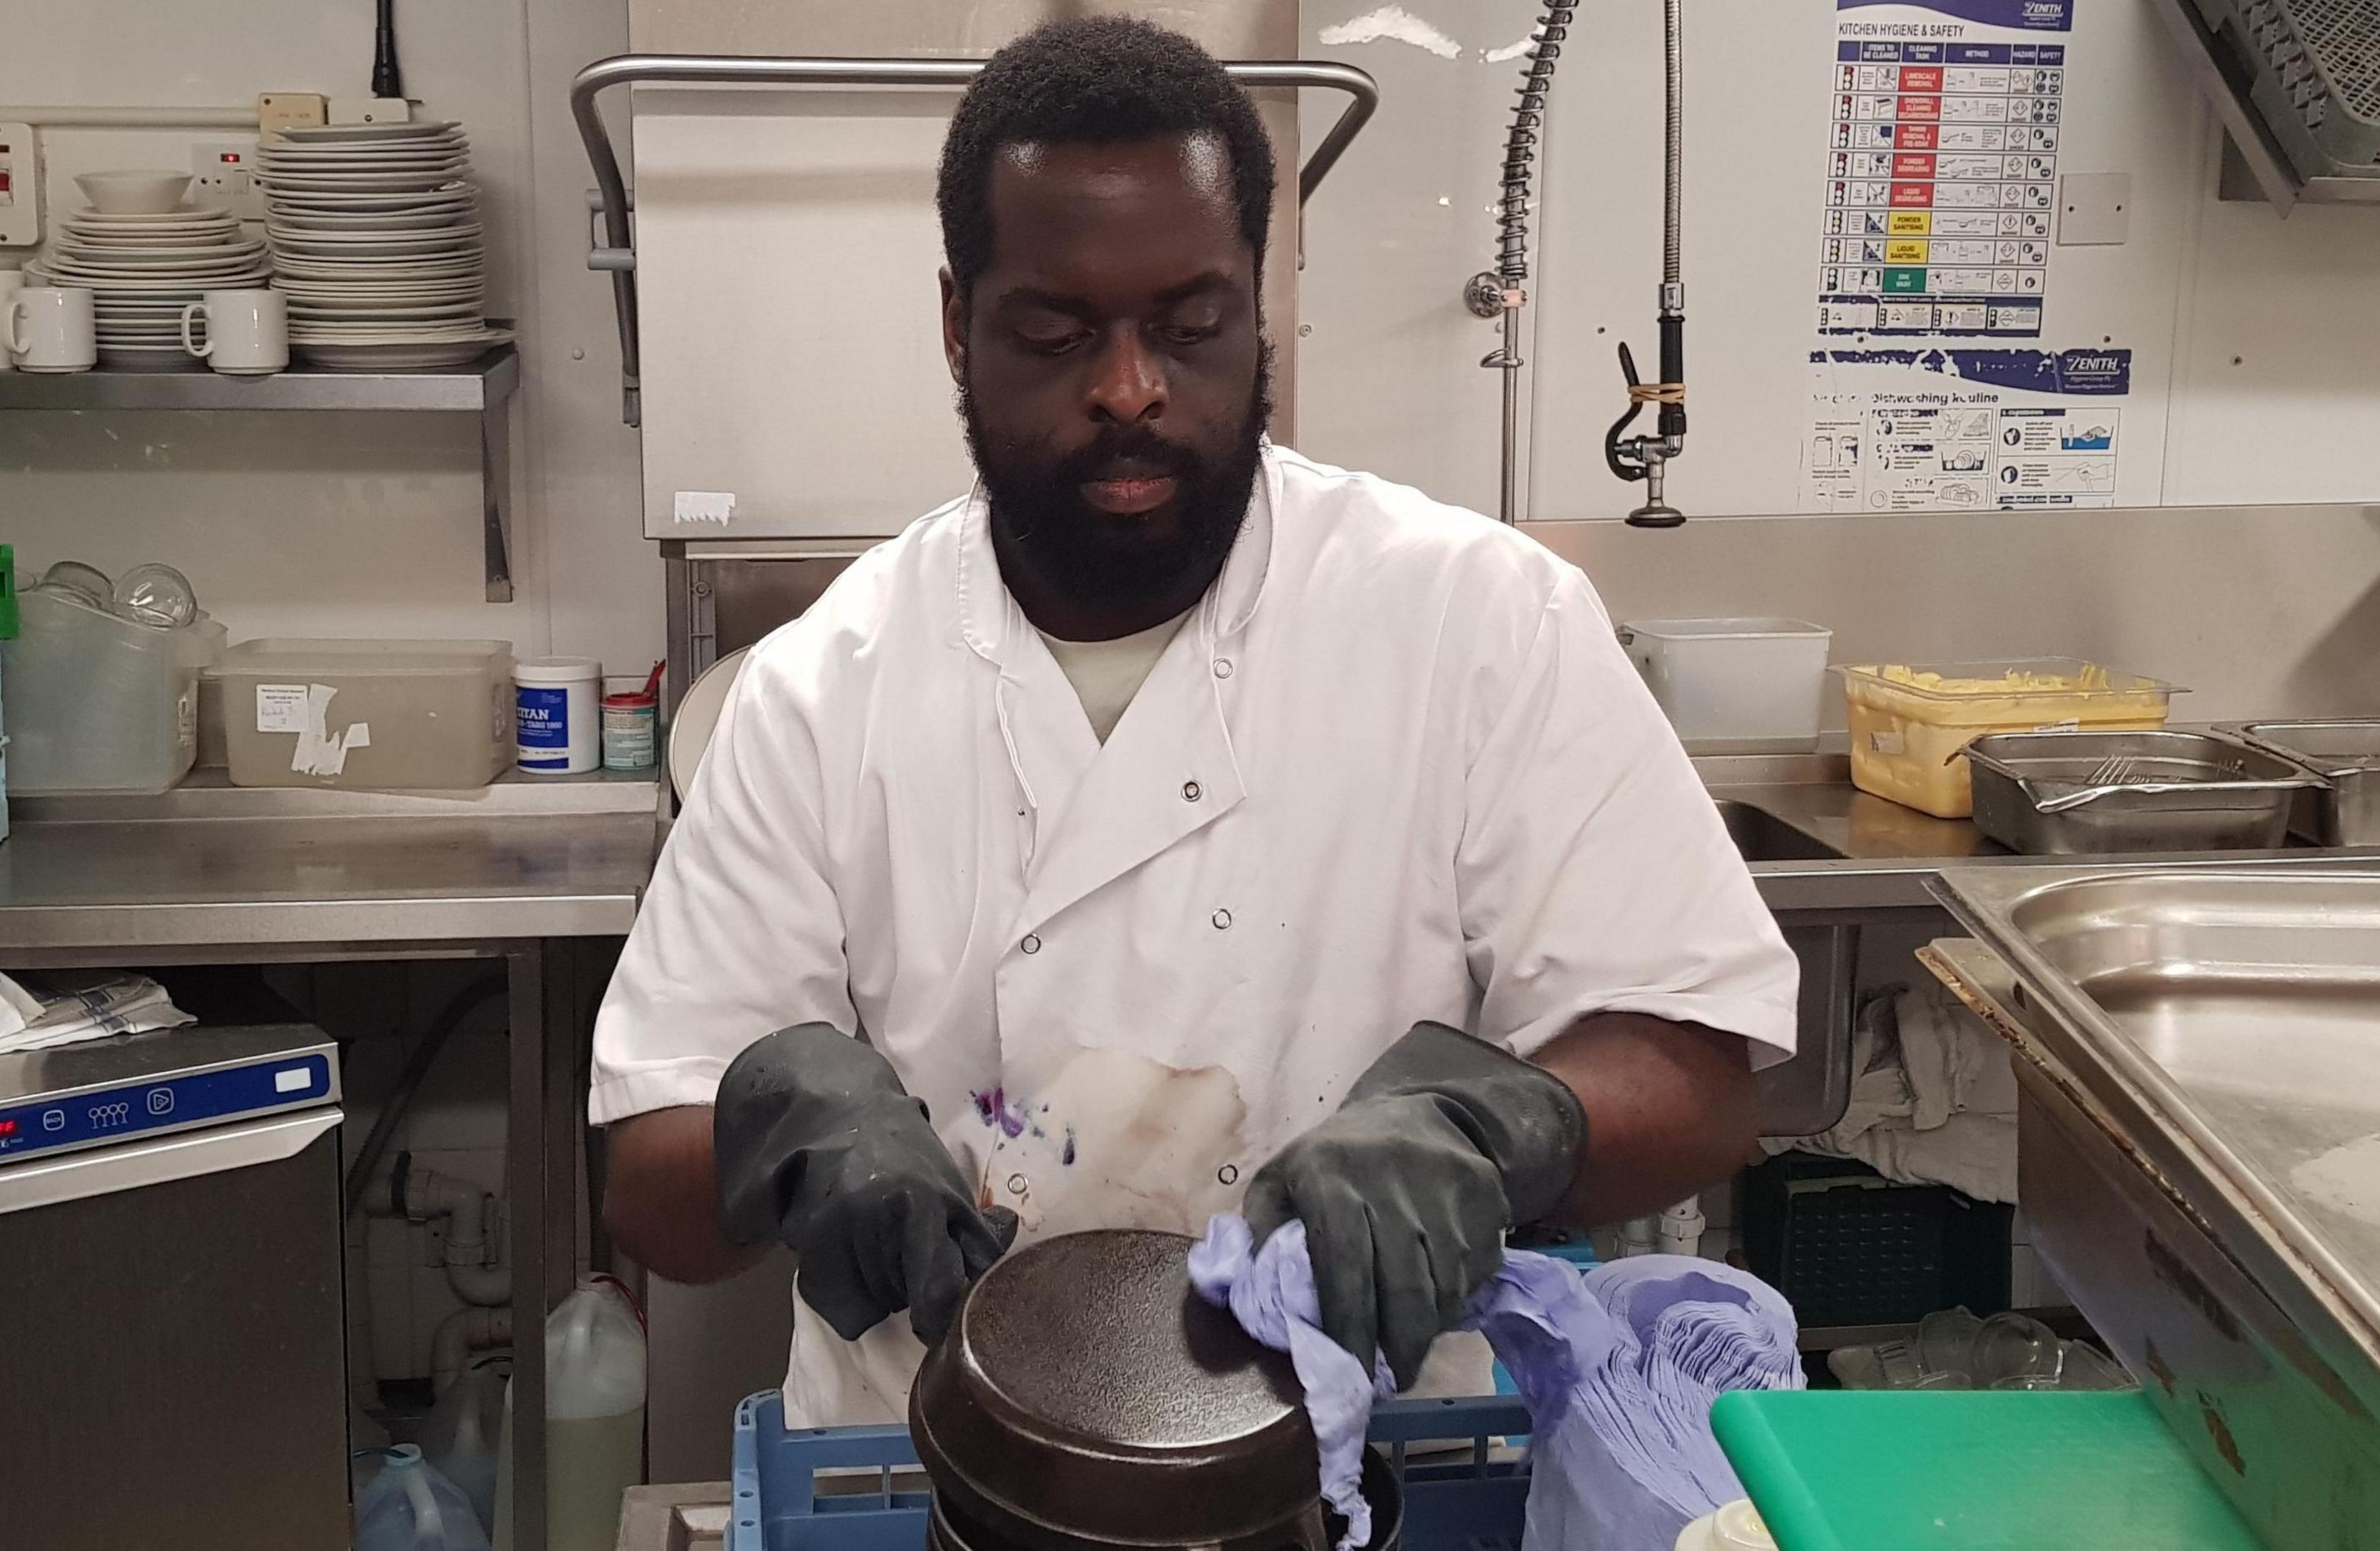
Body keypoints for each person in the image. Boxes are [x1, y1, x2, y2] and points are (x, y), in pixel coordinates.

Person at [592, 14, 1798, 1426]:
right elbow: (650, 1190)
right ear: (956, 323)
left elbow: (1701, 1071)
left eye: (1191, 324)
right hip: (944, 1470)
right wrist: (768, 1125)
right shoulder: (824, 689)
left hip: (1371, 1463)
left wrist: (1504, 1125)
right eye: (1055, 330)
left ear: (1259, 306)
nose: (1128, 386)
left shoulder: (1478, 622)